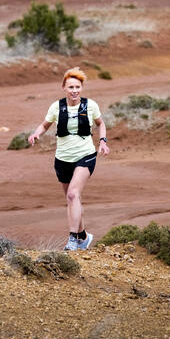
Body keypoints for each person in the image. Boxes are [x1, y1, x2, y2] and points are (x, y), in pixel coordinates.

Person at [28, 67, 109, 251]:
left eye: (78, 87)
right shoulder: (56, 107)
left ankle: (72, 240)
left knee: (73, 194)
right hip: (62, 158)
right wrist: (36, 134)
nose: (74, 91)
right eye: (71, 87)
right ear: (64, 87)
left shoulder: (91, 105)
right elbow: (45, 124)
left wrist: (102, 142)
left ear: (82, 88)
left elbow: (100, 123)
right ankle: (83, 236)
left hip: (85, 155)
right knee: (72, 199)